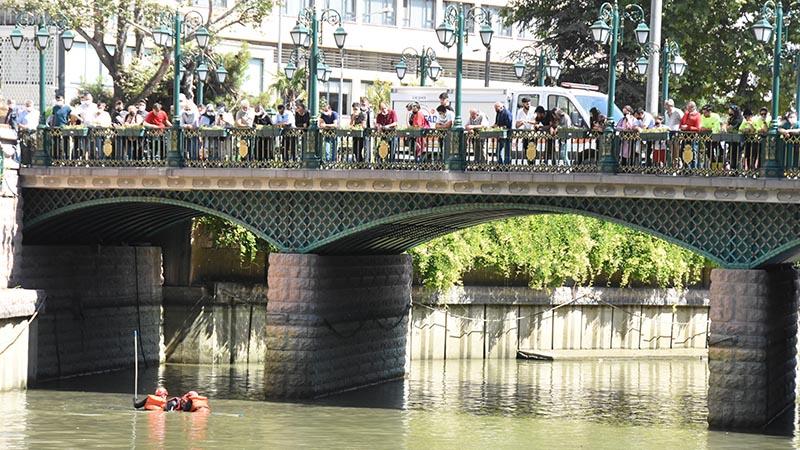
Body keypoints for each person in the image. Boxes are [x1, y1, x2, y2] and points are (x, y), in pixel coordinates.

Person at [679, 101, 702, 168]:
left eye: (689, 108)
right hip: (685, 135)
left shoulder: (697, 115)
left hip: (693, 136)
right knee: (683, 152)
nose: (687, 109)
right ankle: (685, 168)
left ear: (693, 107)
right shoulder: (686, 114)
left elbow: (698, 128)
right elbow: (682, 122)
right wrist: (682, 127)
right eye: (687, 107)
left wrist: (688, 127)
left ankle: (693, 168)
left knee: (692, 153)